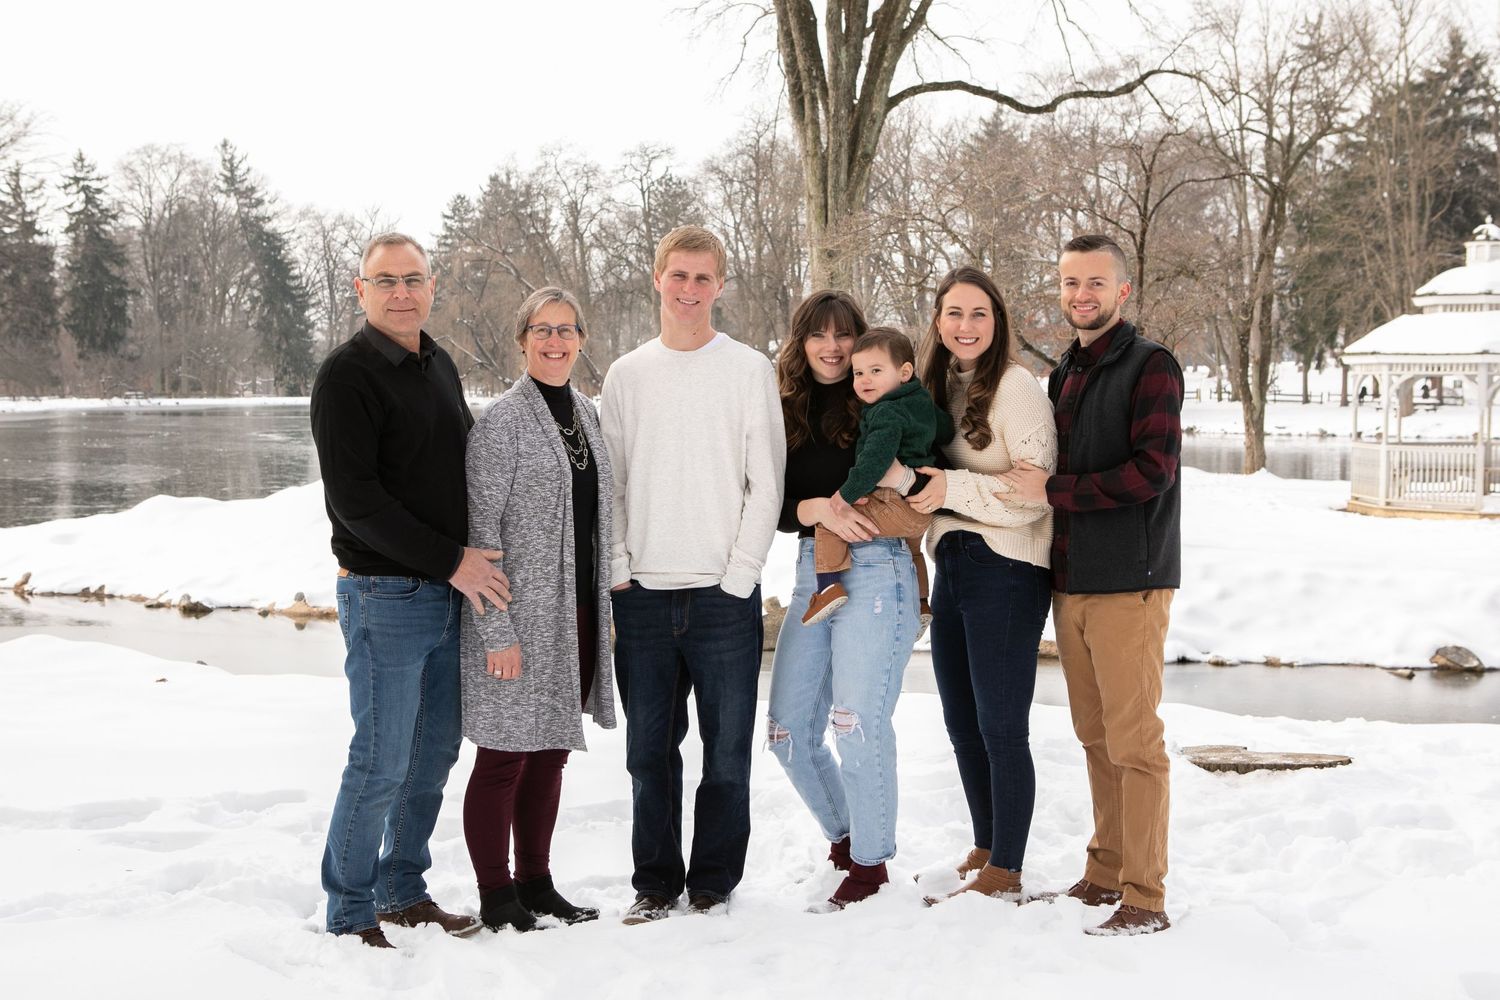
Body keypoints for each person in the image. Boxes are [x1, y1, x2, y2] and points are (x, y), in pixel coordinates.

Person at [311, 232, 510, 948]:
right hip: (384, 595)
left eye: (413, 279)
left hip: (448, 595)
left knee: (431, 755)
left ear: (431, 287)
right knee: (381, 759)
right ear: (361, 290)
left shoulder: (438, 363)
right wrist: (453, 561)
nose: (402, 293)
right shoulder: (346, 377)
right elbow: (356, 502)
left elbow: (464, 467)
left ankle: (402, 890)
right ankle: (349, 911)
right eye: (386, 281)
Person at [599, 225, 785, 924]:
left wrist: (741, 575)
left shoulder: (748, 370)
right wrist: (619, 567)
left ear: (720, 286)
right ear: (657, 279)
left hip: (722, 599)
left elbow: (766, 483)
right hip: (643, 597)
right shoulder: (627, 375)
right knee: (649, 755)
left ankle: (711, 883)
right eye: (678, 275)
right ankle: (654, 883)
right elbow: (612, 484)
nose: (689, 289)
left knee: (727, 755)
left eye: (703, 277)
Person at [1000, 234, 1184, 936]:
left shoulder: (1151, 366)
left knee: (1135, 743)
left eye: (1096, 283)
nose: (1081, 295)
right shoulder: (1065, 374)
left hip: (1129, 582)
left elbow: (1151, 473)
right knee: (1096, 737)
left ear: (1122, 290)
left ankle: (1145, 896)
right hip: (1071, 578)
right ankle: (1104, 873)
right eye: (1071, 282)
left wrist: (1054, 490)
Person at [460, 287, 616, 933]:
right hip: (516, 618)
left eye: (566, 329)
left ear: (581, 340)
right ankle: (497, 896)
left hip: (574, 614)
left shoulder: (587, 414)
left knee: (550, 751)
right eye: (542, 330)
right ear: (522, 340)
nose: (555, 341)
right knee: (503, 757)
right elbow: (479, 535)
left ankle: (536, 883)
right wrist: (496, 630)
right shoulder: (501, 423)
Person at [902, 267, 1057, 906]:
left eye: (979, 314)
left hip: (1008, 568)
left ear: (997, 323)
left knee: (1000, 725)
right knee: (962, 721)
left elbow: (1033, 494)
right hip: (955, 564)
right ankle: (988, 845)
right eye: (954, 313)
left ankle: (1008, 868)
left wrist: (950, 488)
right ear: (938, 321)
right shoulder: (937, 388)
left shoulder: (1016, 388)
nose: (965, 326)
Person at [767, 293, 924, 911]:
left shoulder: (883, 398)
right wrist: (814, 508)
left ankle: (870, 864)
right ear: (801, 342)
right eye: (818, 335)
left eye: (843, 336)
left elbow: (927, 476)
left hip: (878, 566)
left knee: (856, 721)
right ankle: (848, 836)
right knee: (787, 730)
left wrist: (901, 482)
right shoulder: (784, 408)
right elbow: (770, 503)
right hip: (812, 567)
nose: (832, 348)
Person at [801, 327, 953, 627]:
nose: (864, 380)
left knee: (829, 522)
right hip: (920, 509)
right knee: (912, 550)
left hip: (893, 502)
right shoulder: (921, 400)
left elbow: (876, 462)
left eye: (875, 371)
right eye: (858, 373)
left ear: (904, 372)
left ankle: (828, 587)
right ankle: (921, 602)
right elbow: (946, 429)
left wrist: (844, 496)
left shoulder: (885, 412)